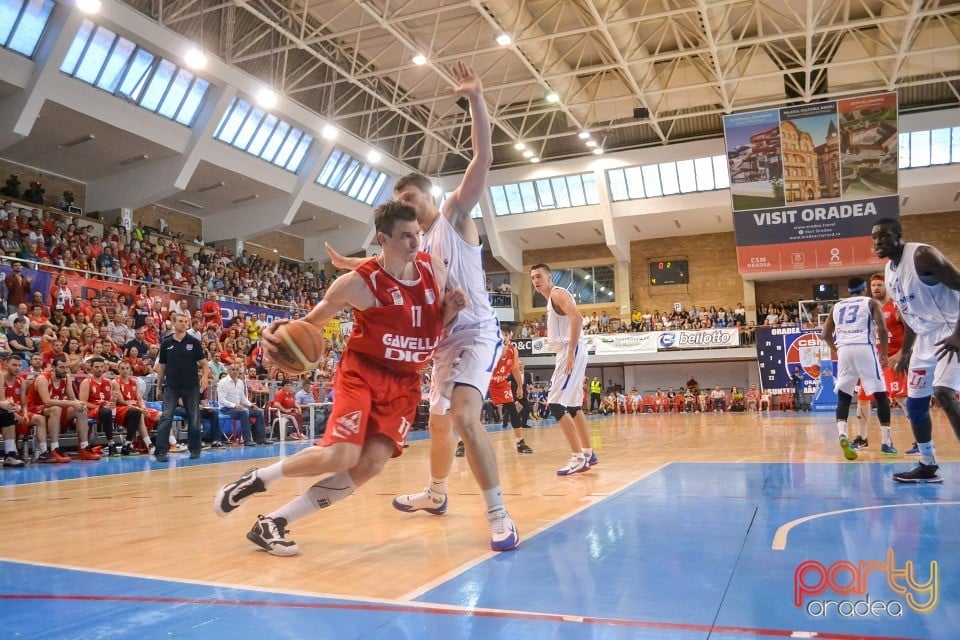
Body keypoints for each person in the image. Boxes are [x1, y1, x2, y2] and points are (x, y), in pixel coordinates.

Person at [329, 62, 518, 550]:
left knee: (463, 416)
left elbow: (483, 158)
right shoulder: (412, 245)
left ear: (429, 194)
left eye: (411, 198)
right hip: (439, 339)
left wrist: (475, 98)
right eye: (400, 203)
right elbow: (382, 261)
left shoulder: (454, 214)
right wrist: (348, 263)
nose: (407, 208)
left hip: (475, 331)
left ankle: (498, 514)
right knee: (437, 424)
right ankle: (436, 494)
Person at [214, 201, 466, 556]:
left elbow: (432, 324)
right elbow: (309, 325)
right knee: (341, 455)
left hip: (407, 383)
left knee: (371, 464)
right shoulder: (357, 284)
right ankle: (259, 479)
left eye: (418, 235)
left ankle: (274, 522)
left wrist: (450, 311)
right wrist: (276, 334)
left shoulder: (433, 268)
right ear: (384, 239)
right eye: (406, 236)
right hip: (363, 374)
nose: (415, 243)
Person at [873, 218, 960, 483]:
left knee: (943, 392)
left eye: (884, 236)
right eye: (874, 238)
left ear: (899, 235)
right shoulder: (889, 270)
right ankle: (927, 464)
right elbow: (909, 316)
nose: (877, 242)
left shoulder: (923, 256)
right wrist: (906, 351)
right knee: (915, 404)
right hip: (925, 339)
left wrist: (958, 333)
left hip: (951, 330)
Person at [530, 264, 596, 475]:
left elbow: (577, 318)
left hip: (570, 350)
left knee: (555, 404)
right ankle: (588, 452)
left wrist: (570, 352)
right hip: (572, 350)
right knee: (574, 406)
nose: (535, 280)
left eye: (539, 276)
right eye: (532, 278)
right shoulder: (552, 299)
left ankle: (578, 458)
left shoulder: (557, 294)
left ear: (550, 277)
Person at [821, 277, 891, 462]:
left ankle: (842, 434)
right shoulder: (870, 302)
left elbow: (825, 334)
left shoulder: (837, 306)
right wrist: (883, 353)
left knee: (844, 395)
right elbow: (882, 330)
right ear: (864, 288)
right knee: (881, 395)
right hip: (864, 347)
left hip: (844, 350)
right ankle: (886, 442)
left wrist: (837, 349)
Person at [455, 324, 532, 456]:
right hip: (483, 381)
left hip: (500, 383)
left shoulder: (513, 351)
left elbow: (514, 369)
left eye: (506, 335)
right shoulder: (489, 349)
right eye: (501, 335)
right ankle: (461, 443)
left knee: (512, 409)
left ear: (510, 336)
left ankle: (520, 442)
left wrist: (520, 386)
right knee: (471, 411)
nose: (503, 337)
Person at [153, 312, 209, 461]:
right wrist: (159, 387)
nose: (183, 324)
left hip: (191, 386)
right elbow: (162, 368)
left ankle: (195, 449)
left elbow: (204, 364)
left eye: (185, 321)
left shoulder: (194, 342)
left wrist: (204, 377)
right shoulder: (166, 343)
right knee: (166, 417)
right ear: (173, 322)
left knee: (194, 418)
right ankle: (161, 451)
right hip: (171, 386)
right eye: (180, 321)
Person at [27, 355, 97, 462]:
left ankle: (84, 447)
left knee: (80, 409)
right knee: (56, 408)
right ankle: (55, 448)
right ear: (53, 368)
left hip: (54, 409)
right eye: (61, 368)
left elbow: (72, 399)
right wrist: (71, 402)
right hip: (34, 408)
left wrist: (80, 404)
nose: (65, 370)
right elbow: (47, 401)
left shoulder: (67, 378)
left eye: (66, 367)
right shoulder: (43, 378)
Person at [217, 363, 267, 446]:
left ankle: (261, 439)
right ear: (228, 371)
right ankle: (247, 440)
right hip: (226, 409)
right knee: (244, 412)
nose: (235, 371)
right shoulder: (223, 382)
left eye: (237, 370)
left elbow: (242, 398)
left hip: (238, 409)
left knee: (258, 412)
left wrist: (251, 405)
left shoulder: (240, 382)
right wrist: (235, 405)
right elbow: (221, 400)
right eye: (233, 369)